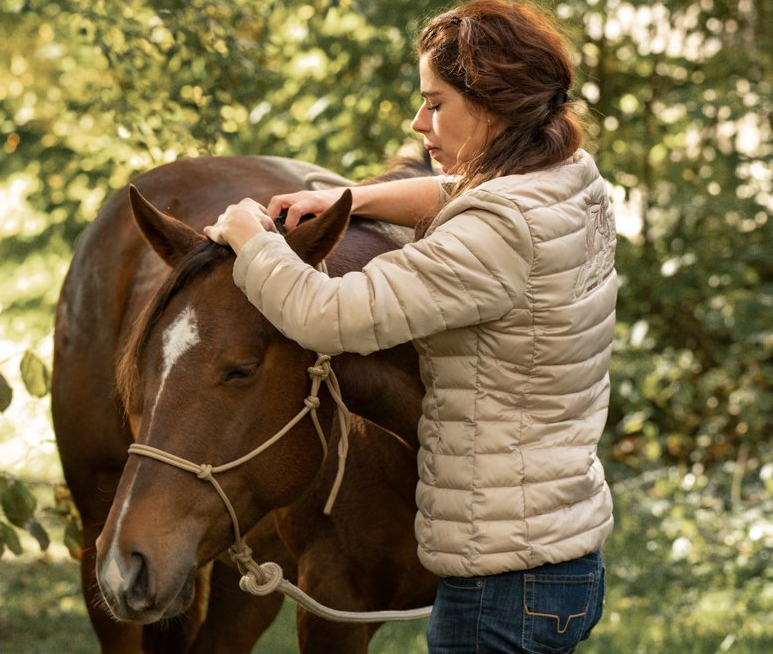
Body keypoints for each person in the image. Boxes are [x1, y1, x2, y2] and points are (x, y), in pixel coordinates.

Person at [205, 1, 615, 652]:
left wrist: (250, 238)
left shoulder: (499, 233)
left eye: (435, 103)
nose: (419, 122)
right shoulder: (568, 179)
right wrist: (350, 200)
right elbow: (467, 193)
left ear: (493, 104)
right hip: (557, 555)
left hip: (503, 584)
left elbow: (328, 316)